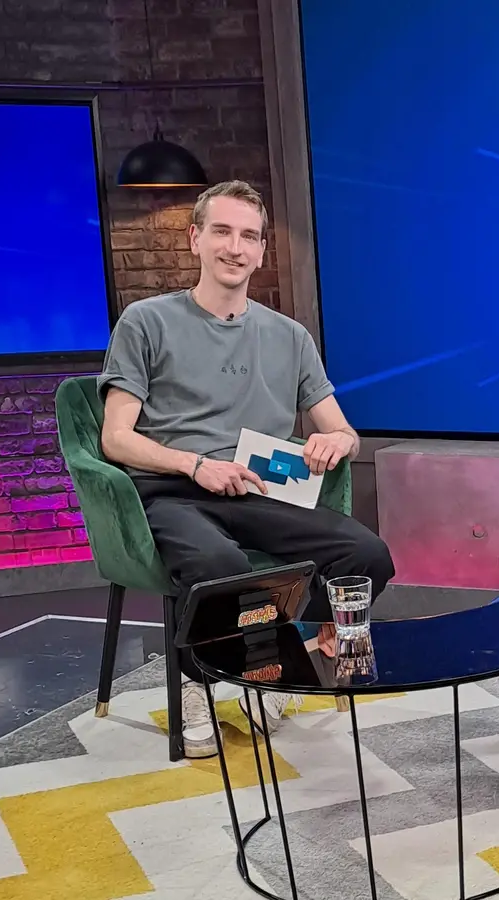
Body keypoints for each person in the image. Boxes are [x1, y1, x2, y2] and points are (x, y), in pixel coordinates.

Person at [98, 180, 394, 759]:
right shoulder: (146, 322)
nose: (236, 247)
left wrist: (336, 443)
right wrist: (196, 464)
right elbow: (115, 439)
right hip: (174, 490)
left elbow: (343, 430)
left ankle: (279, 655)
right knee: (221, 568)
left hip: (262, 491)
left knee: (367, 558)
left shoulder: (289, 336)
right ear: (196, 240)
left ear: (262, 251)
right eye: (223, 232)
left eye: (249, 236)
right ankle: (206, 681)